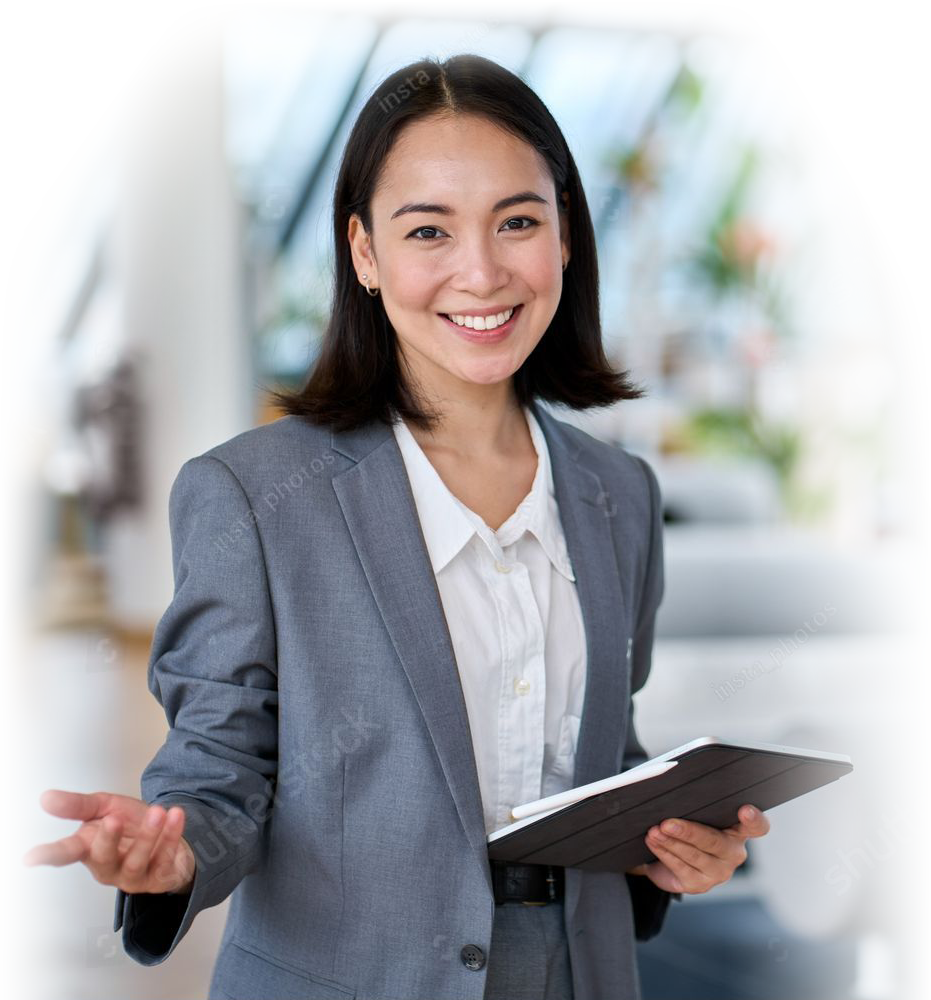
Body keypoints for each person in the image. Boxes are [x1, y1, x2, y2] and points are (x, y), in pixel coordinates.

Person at [22, 53, 770, 1000]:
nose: (482, 272)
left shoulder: (617, 493)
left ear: (566, 236)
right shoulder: (252, 495)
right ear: (364, 253)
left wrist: (669, 844)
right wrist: (173, 854)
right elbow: (219, 768)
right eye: (428, 230)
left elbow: (599, 755)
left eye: (518, 222)